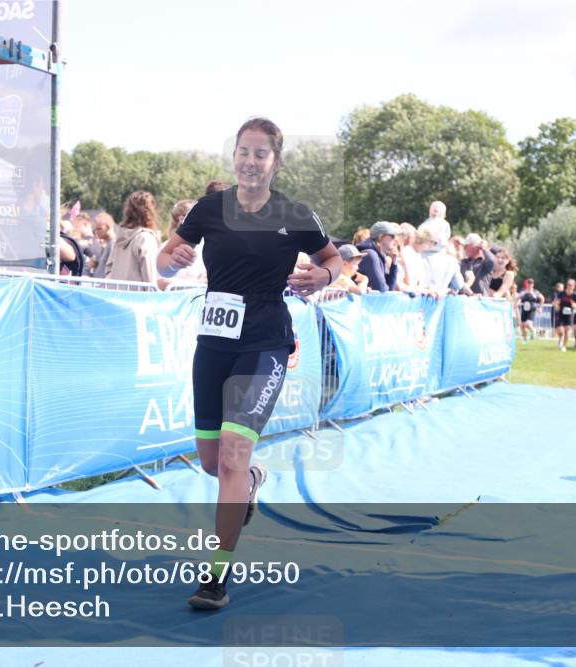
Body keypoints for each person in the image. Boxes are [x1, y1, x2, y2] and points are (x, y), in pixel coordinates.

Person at [157, 117, 340, 611]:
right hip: (214, 343)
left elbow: (334, 258)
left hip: (264, 341)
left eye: (261, 154)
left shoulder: (294, 213)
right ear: (234, 156)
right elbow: (165, 255)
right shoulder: (209, 209)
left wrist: (322, 275)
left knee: (235, 453)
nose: (250, 161)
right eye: (243, 151)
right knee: (215, 462)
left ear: (275, 162)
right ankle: (252, 483)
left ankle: (216, 576)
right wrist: (168, 259)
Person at [107, 191, 162, 283]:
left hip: (116, 294)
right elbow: (150, 275)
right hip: (139, 295)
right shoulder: (145, 238)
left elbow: (108, 269)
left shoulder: (120, 238)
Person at [157, 199, 205, 290]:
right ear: (181, 218)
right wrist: (197, 283)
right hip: (176, 302)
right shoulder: (165, 248)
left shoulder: (203, 246)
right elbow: (161, 282)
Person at [357, 221, 401, 292]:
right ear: (381, 237)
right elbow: (382, 289)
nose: (395, 241)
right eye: (392, 236)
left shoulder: (379, 255)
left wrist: (394, 263)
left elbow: (390, 287)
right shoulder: (370, 255)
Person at [396, 223, 422, 292]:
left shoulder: (408, 252)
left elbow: (409, 281)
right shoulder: (396, 253)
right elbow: (399, 284)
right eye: (412, 236)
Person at [90, 212, 116, 278]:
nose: (96, 232)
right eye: (95, 229)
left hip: (104, 285)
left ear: (107, 227)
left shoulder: (113, 244)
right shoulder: (108, 244)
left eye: (99, 229)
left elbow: (112, 268)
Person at [554, 279, 576, 351]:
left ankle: (564, 346)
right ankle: (561, 337)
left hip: (569, 315)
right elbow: (556, 302)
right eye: (568, 285)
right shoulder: (561, 294)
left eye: (571, 285)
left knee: (567, 330)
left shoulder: (574, 295)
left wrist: (575, 305)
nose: (569, 286)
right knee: (560, 331)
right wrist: (557, 306)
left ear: (573, 286)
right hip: (560, 314)